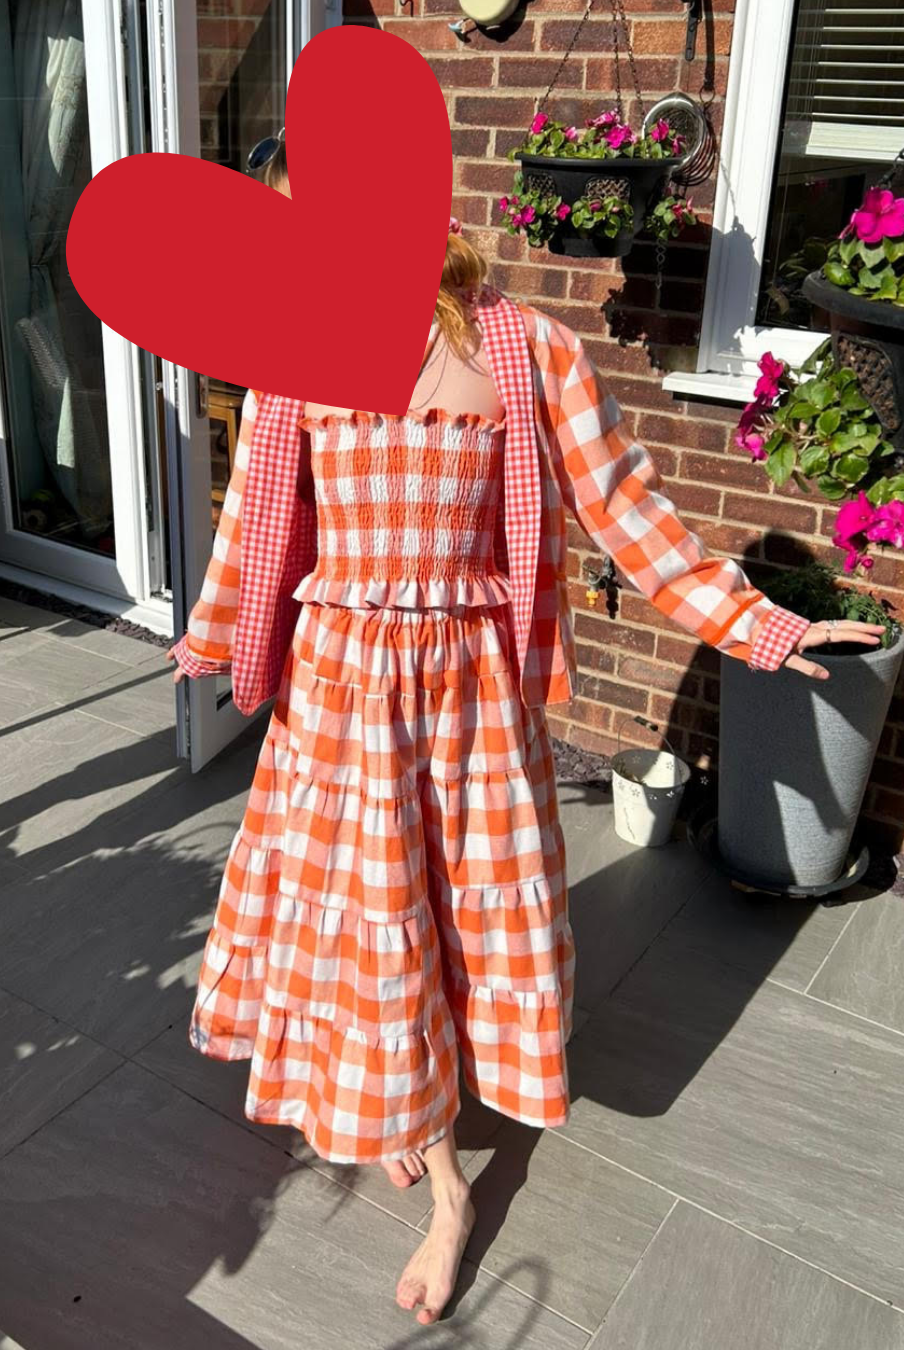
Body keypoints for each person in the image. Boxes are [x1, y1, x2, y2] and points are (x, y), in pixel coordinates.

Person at [166, 128, 886, 1326]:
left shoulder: (521, 347)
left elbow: (627, 510)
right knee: (372, 921)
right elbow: (253, 528)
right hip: (339, 704)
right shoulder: (292, 363)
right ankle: (420, 1134)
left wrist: (759, 623)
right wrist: (207, 640)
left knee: (454, 913)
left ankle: (437, 1167)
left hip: (465, 703)